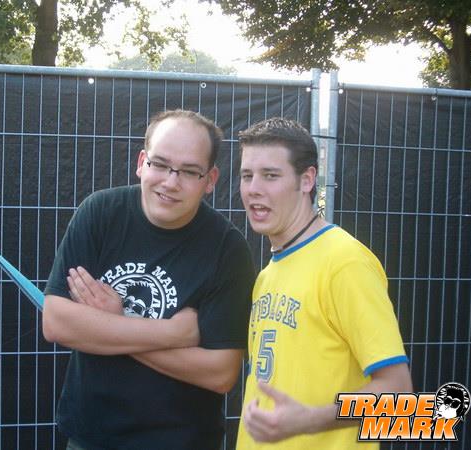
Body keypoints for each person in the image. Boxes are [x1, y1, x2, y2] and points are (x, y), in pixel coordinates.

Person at [42, 109, 256, 450]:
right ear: (142, 162)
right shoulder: (100, 214)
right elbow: (57, 322)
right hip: (91, 438)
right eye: (161, 164)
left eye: (190, 171)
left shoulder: (227, 250)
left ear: (210, 180)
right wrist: (174, 333)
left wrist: (112, 322)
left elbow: (220, 373)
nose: (171, 182)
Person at [235, 117, 413, 449]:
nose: (253, 188)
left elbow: (398, 393)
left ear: (307, 180)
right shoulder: (267, 275)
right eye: (247, 175)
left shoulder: (345, 263)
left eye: (270, 175)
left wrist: (310, 420)